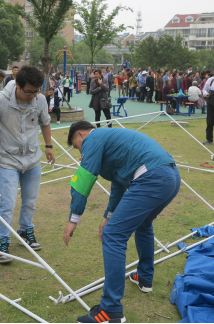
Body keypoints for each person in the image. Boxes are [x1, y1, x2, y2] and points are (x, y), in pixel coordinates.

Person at [63, 121, 181, 324]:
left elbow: (84, 176)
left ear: (81, 135)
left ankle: (110, 310)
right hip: (170, 176)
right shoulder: (112, 142)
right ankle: (144, 278)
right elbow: (119, 184)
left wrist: (74, 218)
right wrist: (107, 216)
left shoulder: (93, 139)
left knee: (114, 235)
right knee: (143, 224)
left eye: (76, 147)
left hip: (151, 177)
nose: (80, 152)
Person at [0, 65, 56, 263]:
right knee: (7, 203)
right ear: (18, 86)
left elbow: (45, 121)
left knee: (30, 201)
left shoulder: (39, 99)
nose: (33, 95)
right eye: (29, 91)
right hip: (8, 161)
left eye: (37, 90)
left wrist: (48, 145)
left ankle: (25, 231)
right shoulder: (0, 101)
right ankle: (2, 241)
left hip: (32, 159)